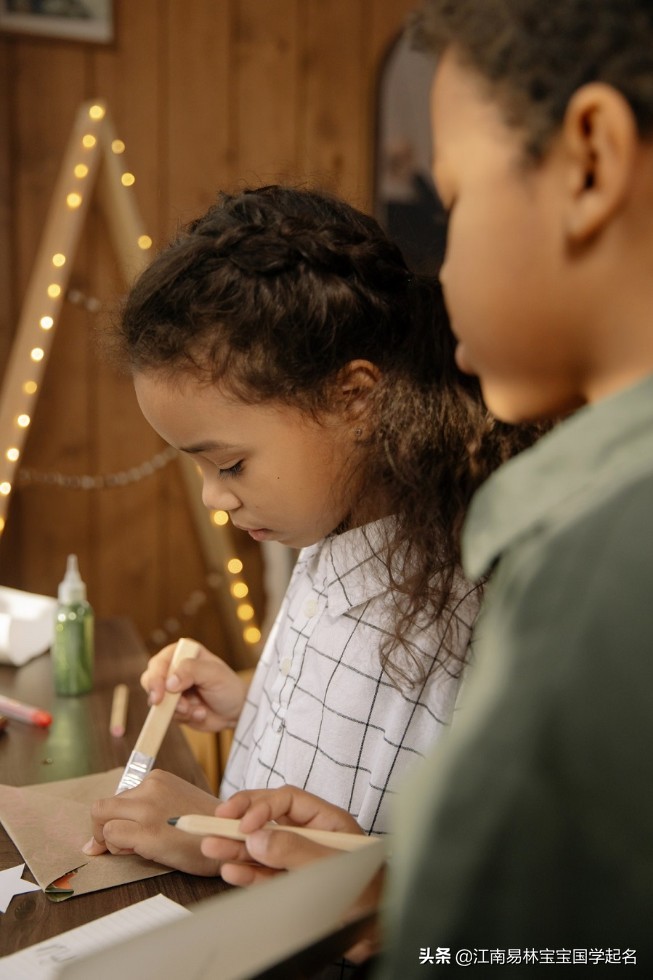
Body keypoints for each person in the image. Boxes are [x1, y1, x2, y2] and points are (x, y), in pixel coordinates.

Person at [213, 1, 653, 974]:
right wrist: (399, 881)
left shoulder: (610, 549)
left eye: (453, 203)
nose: (441, 272)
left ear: (589, 161)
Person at [83, 184, 537, 876]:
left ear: (354, 399)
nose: (214, 498)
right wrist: (253, 702)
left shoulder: (462, 619)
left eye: (230, 464)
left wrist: (211, 836)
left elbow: (450, 884)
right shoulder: (327, 531)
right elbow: (344, 740)